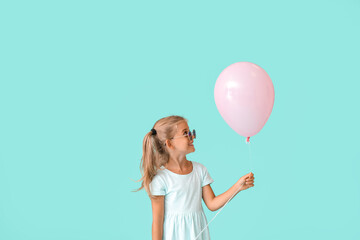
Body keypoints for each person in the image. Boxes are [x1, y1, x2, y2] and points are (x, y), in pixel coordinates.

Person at [134, 115, 255, 240]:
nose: (192, 137)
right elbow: (157, 223)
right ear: (169, 143)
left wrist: (238, 186)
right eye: (185, 133)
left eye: (190, 132)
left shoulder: (199, 170)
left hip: (198, 233)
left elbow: (212, 203)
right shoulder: (161, 179)